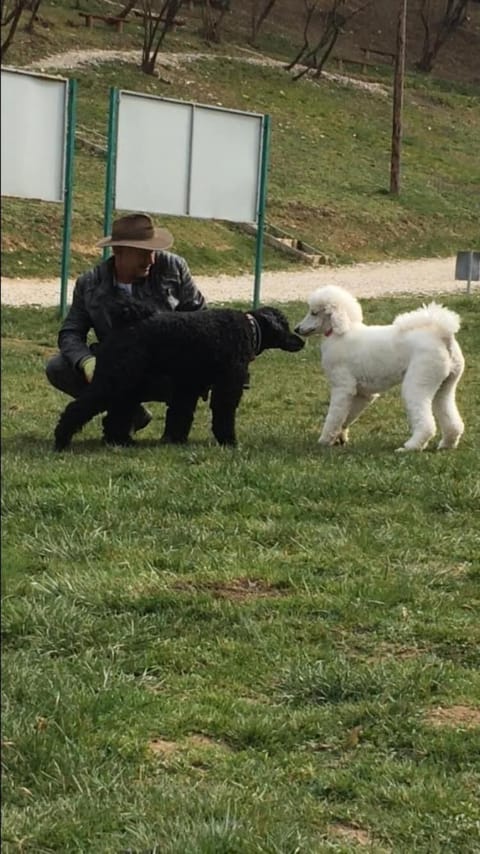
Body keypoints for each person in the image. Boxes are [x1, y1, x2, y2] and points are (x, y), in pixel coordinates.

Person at [46, 212, 208, 434]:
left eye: (153, 252)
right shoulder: (89, 283)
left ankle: (176, 430)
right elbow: (70, 332)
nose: (151, 260)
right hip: (119, 366)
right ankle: (131, 414)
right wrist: (86, 362)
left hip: (167, 367)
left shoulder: (174, 267)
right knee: (58, 367)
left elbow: (201, 317)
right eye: (143, 253)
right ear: (118, 251)